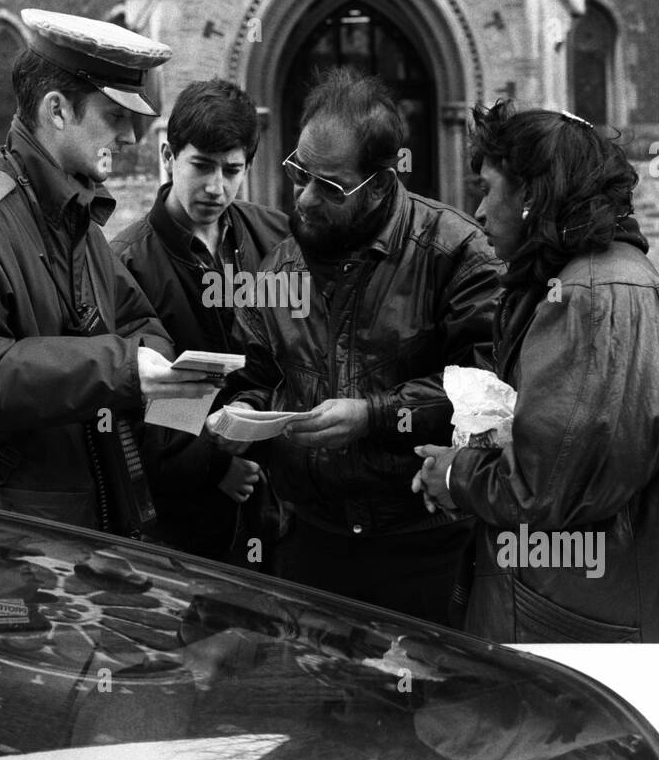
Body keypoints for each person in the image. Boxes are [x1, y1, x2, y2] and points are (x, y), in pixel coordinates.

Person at [0, 9, 217, 532]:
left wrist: (151, 371)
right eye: (116, 117)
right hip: (5, 543)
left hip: (79, 533)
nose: (131, 138)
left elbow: (144, 331)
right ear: (57, 111)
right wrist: (120, 369)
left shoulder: (80, 223)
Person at [210, 65, 503, 622]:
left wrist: (373, 415)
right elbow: (255, 376)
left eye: (331, 185)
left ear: (382, 179)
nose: (305, 198)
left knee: (423, 704)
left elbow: (487, 392)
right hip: (309, 545)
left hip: (424, 545)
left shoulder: (456, 251)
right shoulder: (279, 264)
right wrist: (240, 419)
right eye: (299, 173)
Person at [413, 100, 659, 642]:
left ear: (532, 194)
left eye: (488, 190)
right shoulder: (577, 280)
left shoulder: (592, 295)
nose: (480, 213)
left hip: (576, 623)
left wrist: (454, 475)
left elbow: (545, 487)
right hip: (567, 604)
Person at [112, 78, 288, 560]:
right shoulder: (126, 263)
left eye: (232, 170)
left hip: (279, 492)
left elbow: (292, 351)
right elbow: (139, 393)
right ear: (168, 157)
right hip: (186, 513)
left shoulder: (276, 236)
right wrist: (214, 462)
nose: (216, 187)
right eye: (202, 166)